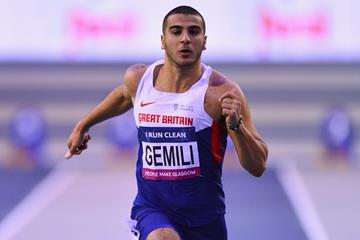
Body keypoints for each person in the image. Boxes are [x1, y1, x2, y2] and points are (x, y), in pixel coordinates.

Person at [65, 5, 268, 240]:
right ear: (163, 40)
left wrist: (236, 125)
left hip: (205, 218)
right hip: (153, 209)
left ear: (204, 41)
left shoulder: (220, 93)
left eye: (193, 32)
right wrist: (84, 125)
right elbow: (123, 96)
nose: (185, 39)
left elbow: (258, 166)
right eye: (176, 31)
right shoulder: (139, 80)